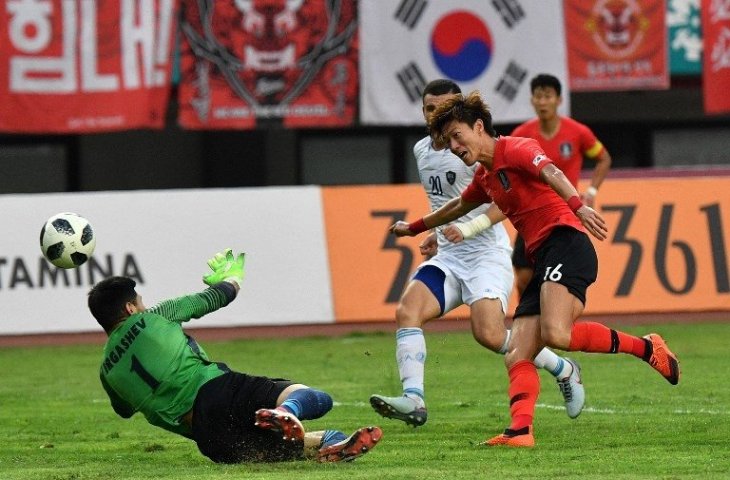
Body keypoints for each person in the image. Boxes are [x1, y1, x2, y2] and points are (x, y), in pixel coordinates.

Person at [391, 91, 680, 447]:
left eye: (457, 135)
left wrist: (578, 206)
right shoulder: (486, 176)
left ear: (478, 126)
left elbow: (551, 170)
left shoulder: (516, 148)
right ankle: (521, 430)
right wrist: (416, 227)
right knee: (518, 351)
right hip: (543, 256)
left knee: (557, 334)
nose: (453, 146)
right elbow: (455, 206)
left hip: (566, 242)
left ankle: (647, 348)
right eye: (448, 140)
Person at [369, 79, 586, 428]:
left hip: (486, 253)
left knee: (489, 334)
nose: (436, 116)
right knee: (407, 310)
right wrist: (435, 235)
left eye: (444, 109)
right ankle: (414, 400)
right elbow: (447, 204)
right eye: (429, 109)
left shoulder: (476, 149)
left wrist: (468, 229)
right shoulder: (422, 151)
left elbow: (505, 203)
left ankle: (563, 368)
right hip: (449, 256)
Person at [89, 249, 382, 464]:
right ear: (130, 309)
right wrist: (231, 278)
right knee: (317, 399)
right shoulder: (155, 317)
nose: (144, 305)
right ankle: (287, 410)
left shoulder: (107, 372)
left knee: (294, 446)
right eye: (139, 302)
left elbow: (124, 411)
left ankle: (330, 444)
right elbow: (217, 297)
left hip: (208, 439)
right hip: (218, 392)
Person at [510, 74, 612, 297]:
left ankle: (555, 321)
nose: (543, 102)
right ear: (532, 101)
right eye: (538, 97)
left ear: (559, 100)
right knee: (524, 277)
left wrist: (592, 190)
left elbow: (603, 158)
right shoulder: (521, 135)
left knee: (558, 275)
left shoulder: (578, 133)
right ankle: (527, 324)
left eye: (548, 96)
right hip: (531, 213)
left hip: (564, 212)